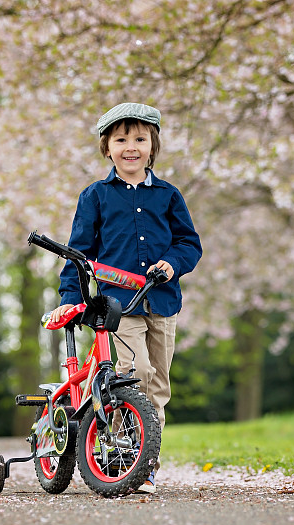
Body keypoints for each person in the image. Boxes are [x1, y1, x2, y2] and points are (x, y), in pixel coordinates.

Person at [50, 102, 202, 494]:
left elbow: (189, 243)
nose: (130, 146)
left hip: (162, 302)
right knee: (136, 374)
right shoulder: (95, 196)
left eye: (139, 139)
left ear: (153, 146)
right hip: (119, 307)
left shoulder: (168, 195)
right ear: (107, 148)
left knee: (158, 386)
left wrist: (171, 263)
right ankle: (123, 454)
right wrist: (71, 297)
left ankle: (144, 462)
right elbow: (78, 253)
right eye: (121, 140)